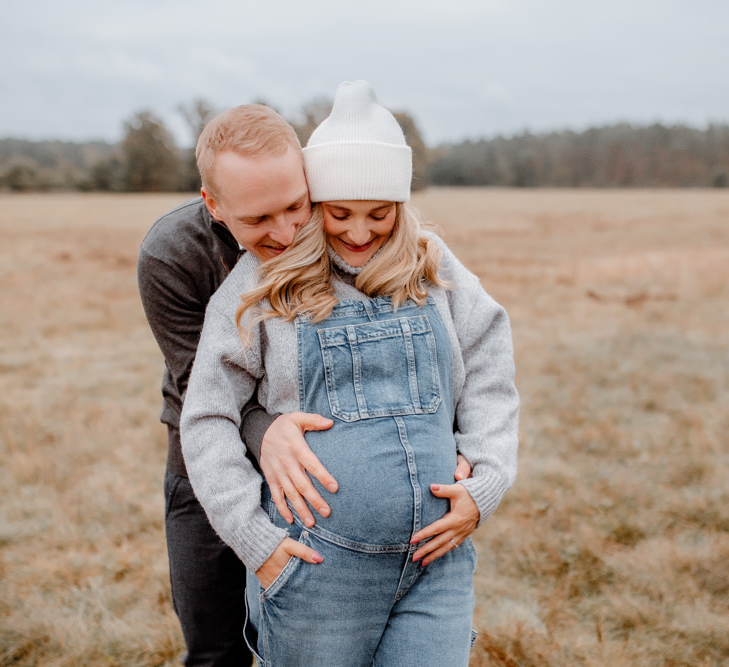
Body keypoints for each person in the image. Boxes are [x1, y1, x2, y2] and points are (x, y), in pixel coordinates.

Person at [181, 81, 519, 665]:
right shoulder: (263, 286)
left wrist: (485, 482)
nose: (359, 233)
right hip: (316, 574)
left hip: (435, 566)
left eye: (379, 214)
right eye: (338, 213)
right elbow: (208, 416)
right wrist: (259, 544)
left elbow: (490, 365)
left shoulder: (433, 266)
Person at [138, 104, 337, 666]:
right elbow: (200, 387)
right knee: (217, 650)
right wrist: (265, 430)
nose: (288, 232)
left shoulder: (340, 221)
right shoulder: (171, 254)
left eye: (297, 206)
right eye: (257, 220)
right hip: (200, 466)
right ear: (214, 205)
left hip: (315, 468)